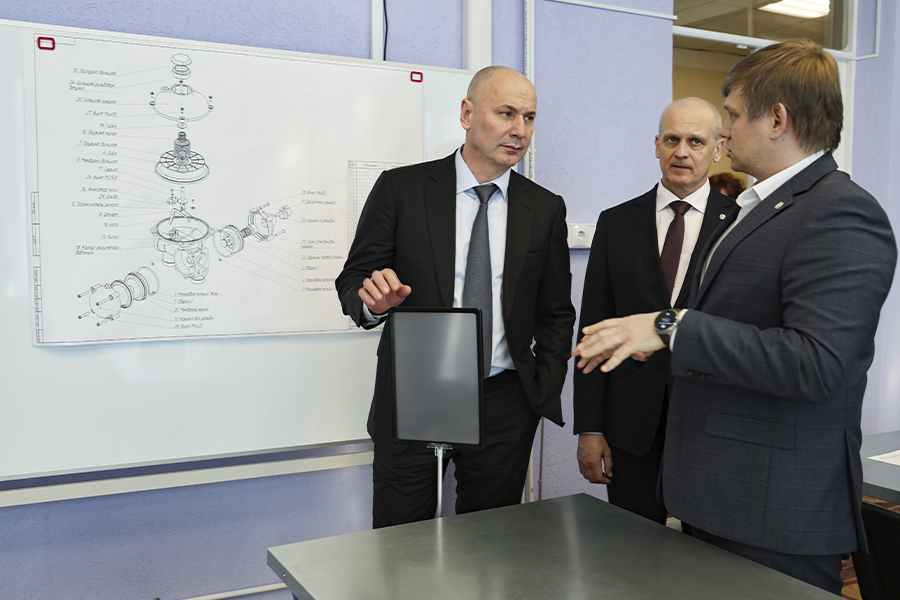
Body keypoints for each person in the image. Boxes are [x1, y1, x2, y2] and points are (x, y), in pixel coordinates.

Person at [572, 39, 896, 594]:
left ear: (777, 120)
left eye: (733, 115)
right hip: (718, 496)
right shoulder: (764, 208)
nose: (725, 131)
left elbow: (817, 363)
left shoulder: (841, 212)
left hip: (773, 510)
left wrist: (669, 326)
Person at [336, 65, 576, 529]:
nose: (519, 129)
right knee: (401, 544)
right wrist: (371, 303)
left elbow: (555, 312)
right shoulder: (402, 189)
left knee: (489, 544)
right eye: (506, 113)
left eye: (529, 117)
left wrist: (541, 385)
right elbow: (354, 279)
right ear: (467, 113)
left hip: (505, 401)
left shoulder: (544, 207)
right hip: (416, 395)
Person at [573, 97, 735, 524]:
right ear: (656, 145)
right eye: (672, 139)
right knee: (631, 549)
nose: (682, 151)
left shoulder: (740, 225)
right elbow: (593, 330)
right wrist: (590, 428)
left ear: (718, 149)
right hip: (630, 429)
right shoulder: (616, 223)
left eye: (696, 141)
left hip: (709, 427)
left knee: (705, 555)